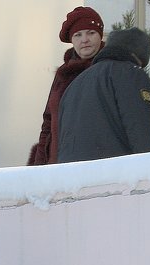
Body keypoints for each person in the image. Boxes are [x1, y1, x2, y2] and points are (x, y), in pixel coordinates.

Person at [57, 27, 150, 162]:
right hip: (114, 173)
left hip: (73, 175)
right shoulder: (130, 73)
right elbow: (141, 128)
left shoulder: (74, 84)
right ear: (138, 56)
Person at [28, 6, 105, 165]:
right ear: (71, 40)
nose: (84, 39)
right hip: (59, 163)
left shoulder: (108, 70)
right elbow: (48, 121)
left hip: (98, 163)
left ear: (100, 35)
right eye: (78, 35)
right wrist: (39, 165)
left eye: (91, 33)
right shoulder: (63, 75)